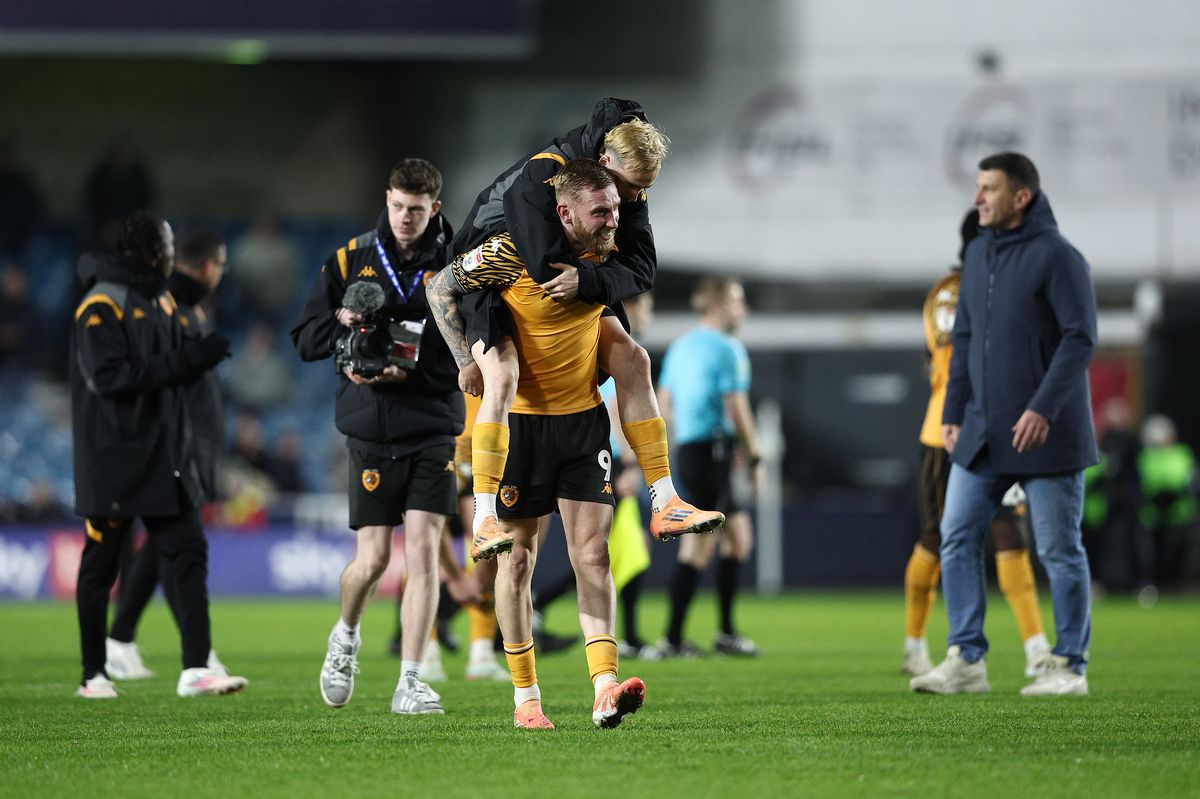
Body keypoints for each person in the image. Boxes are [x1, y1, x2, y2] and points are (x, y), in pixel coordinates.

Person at [431, 98, 723, 562]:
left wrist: (593, 277)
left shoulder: (619, 189)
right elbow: (547, 270)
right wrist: (465, 358)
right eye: (629, 189)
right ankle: (484, 516)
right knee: (503, 375)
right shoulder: (539, 182)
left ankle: (665, 498)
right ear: (605, 164)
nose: (631, 204)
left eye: (639, 192)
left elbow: (641, 269)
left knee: (634, 357)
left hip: (570, 276)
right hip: (491, 281)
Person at [429, 159, 647, 730]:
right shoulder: (505, 254)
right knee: (518, 560)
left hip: (582, 424)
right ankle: (526, 697)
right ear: (565, 212)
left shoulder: (609, 255)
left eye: (616, 209)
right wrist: (464, 361)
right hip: (520, 427)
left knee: (593, 555)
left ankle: (604, 685)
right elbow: (440, 288)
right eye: (601, 211)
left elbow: (638, 279)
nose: (612, 220)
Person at [910, 152, 1098, 697]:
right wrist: (952, 414)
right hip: (981, 431)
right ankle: (967, 658)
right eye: (977, 187)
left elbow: (1080, 339)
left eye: (989, 188)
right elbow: (963, 341)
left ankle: (1071, 666)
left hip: (1048, 432)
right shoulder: (978, 253)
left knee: (1059, 549)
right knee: (956, 534)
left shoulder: (1060, 257)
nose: (978, 198)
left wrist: (1042, 407)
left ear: (1022, 197)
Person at [291, 158, 464, 715]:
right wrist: (341, 322)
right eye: (396, 207)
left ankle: (410, 680)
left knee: (422, 555)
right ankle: (344, 637)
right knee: (371, 561)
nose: (405, 218)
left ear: (434, 208)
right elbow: (305, 338)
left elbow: (478, 343)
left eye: (416, 210)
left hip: (433, 423)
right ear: (386, 200)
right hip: (371, 425)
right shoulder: (352, 258)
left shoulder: (458, 262)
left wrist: (413, 369)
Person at [71, 211, 246, 699]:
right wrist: (188, 360)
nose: (173, 253)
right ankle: (94, 674)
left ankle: (195, 669)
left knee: (189, 550)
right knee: (101, 564)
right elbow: (111, 380)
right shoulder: (100, 305)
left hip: (163, 456)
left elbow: (166, 369)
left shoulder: (163, 301)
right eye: (168, 244)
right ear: (151, 250)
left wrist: (196, 357)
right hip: (114, 460)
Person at [901, 209, 1050, 677]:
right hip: (946, 432)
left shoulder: (1001, 285)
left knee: (1010, 531)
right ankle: (915, 643)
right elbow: (953, 357)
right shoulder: (953, 291)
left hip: (1000, 429)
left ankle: (1036, 649)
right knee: (939, 535)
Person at [105, 229, 232, 681]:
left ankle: (120, 639)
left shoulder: (185, 307)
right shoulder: (170, 307)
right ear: (208, 266)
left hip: (191, 444)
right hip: (178, 446)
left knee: (166, 545)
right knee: (181, 544)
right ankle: (197, 658)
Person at [656, 278, 761, 658]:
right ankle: (671, 639)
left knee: (738, 538)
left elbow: (664, 403)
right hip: (711, 452)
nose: (743, 310)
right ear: (717, 304)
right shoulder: (729, 349)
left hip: (693, 450)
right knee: (700, 545)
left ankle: (726, 633)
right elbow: (737, 406)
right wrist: (756, 457)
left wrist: (679, 446)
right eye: (738, 301)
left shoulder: (682, 346)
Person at [1136, 415, 1198, 591]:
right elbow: (1145, 481)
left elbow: (1190, 480)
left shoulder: (1182, 453)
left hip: (1179, 513)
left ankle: (1179, 585)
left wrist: (1178, 494)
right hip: (1153, 515)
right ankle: (1153, 586)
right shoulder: (1147, 456)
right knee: (1152, 555)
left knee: (1179, 554)